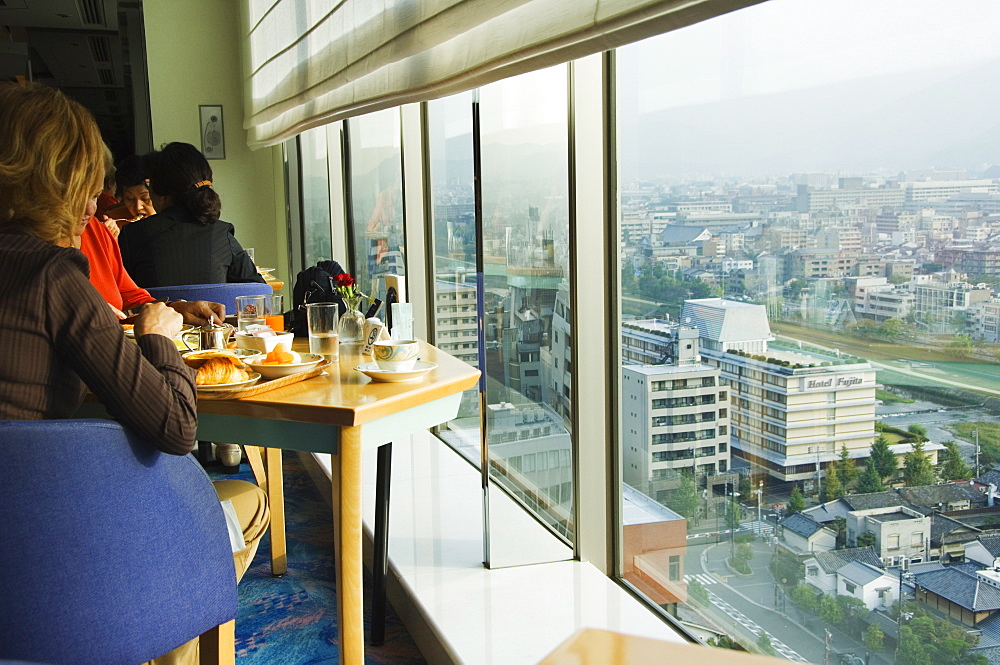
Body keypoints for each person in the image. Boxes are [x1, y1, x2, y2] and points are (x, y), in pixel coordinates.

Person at [0, 81, 268, 665]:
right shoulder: (52, 277)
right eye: (88, 187)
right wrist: (157, 339)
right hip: (61, 554)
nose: (97, 205)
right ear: (60, 183)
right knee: (246, 499)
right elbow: (175, 427)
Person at [119, 142, 264, 287]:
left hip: (157, 310)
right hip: (215, 310)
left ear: (160, 190)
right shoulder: (221, 233)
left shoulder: (132, 235)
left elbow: (120, 295)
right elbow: (259, 291)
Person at [102, 154, 157, 229]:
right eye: (130, 198)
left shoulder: (173, 221)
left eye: (145, 198)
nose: (138, 207)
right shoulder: (114, 220)